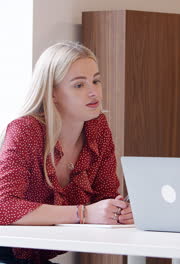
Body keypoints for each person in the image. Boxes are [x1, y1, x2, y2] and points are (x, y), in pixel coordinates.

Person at [0, 41, 133, 263]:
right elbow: (4, 207)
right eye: (79, 85)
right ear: (52, 93)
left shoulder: (98, 128)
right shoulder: (25, 130)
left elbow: (106, 195)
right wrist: (83, 213)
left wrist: (118, 211)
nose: (93, 92)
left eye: (96, 81)